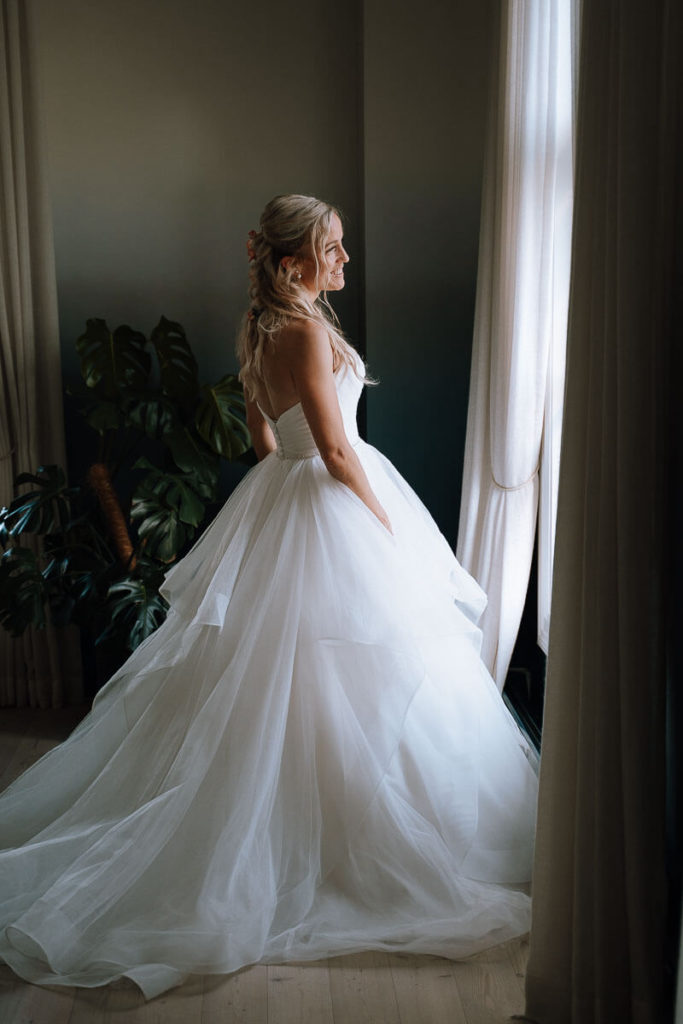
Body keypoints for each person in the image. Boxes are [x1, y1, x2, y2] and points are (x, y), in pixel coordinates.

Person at [0, 194, 537, 1001]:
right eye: (334, 249)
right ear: (293, 264)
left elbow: (264, 440)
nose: (345, 262)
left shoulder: (258, 330)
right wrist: (385, 523)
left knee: (278, 679)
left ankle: (305, 831)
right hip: (329, 496)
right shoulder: (310, 331)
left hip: (278, 500)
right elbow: (331, 445)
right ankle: (354, 843)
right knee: (361, 671)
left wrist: (307, 468)